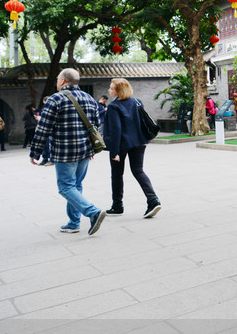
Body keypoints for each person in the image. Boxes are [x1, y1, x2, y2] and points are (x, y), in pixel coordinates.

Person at [29, 68, 106, 236]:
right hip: (85, 151)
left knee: (65, 187)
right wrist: (92, 148)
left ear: (63, 81)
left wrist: (34, 152)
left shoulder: (55, 99)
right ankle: (73, 223)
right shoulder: (89, 98)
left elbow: (43, 129)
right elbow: (96, 126)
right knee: (76, 186)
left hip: (65, 152)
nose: (57, 81)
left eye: (57, 79)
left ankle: (93, 212)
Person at [103, 78, 161, 218]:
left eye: (111, 88)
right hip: (139, 142)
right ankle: (153, 200)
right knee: (138, 171)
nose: (109, 90)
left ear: (118, 91)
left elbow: (116, 130)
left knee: (117, 175)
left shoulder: (113, 106)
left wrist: (115, 152)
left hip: (121, 145)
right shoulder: (137, 101)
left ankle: (117, 206)